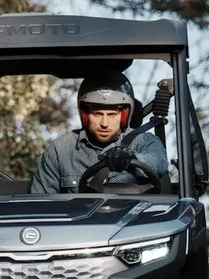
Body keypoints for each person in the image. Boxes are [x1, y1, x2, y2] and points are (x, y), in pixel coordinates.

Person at [29, 72, 170, 194]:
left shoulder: (143, 141)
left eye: (112, 114)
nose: (104, 123)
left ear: (124, 115)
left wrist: (132, 158)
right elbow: (40, 203)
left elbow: (159, 162)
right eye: (97, 114)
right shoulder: (60, 151)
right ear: (85, 115)